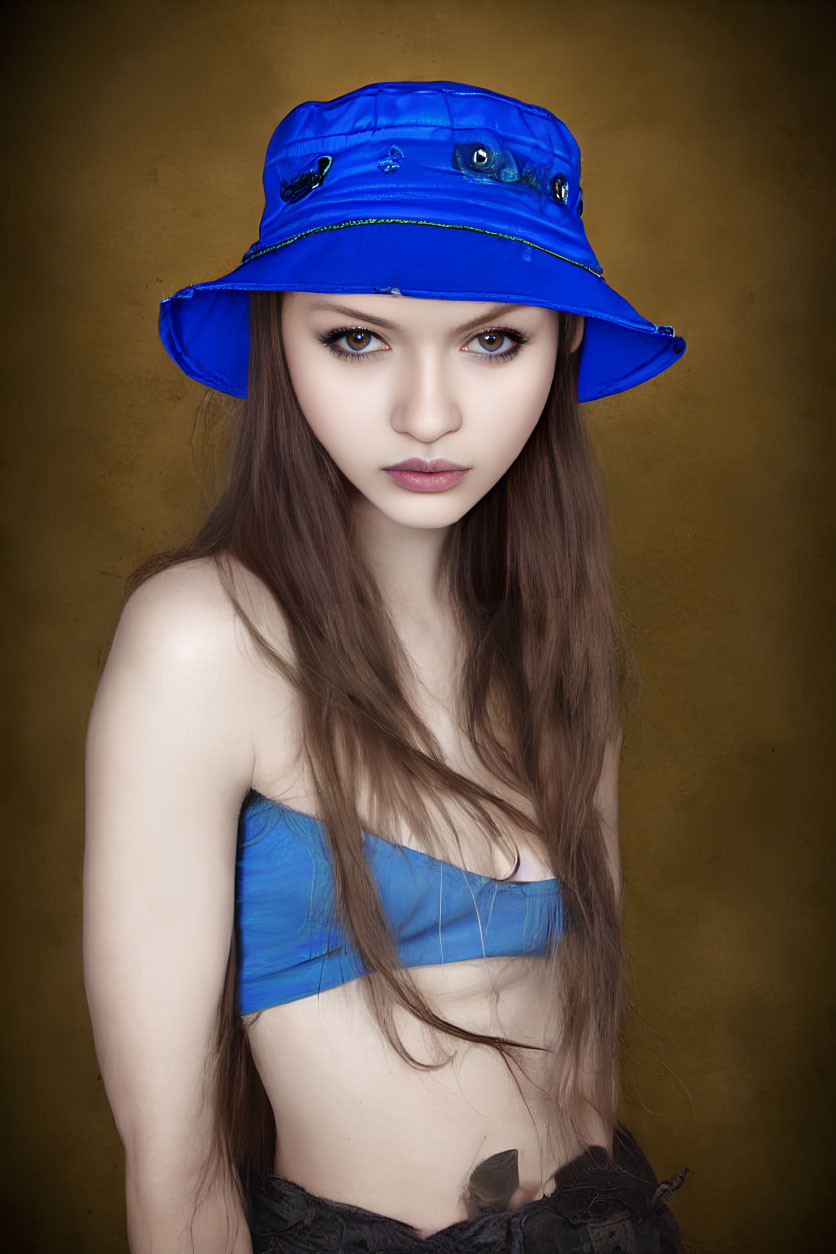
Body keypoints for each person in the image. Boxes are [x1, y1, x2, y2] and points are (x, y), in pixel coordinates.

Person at [83, 80, 688, 1253]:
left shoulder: (555, 642)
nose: (425, 413)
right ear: (279, 341)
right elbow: (173, 1158)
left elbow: (585, 1050)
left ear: (561, 344)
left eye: (492, 340)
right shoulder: (205, 639)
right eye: (355, 337)